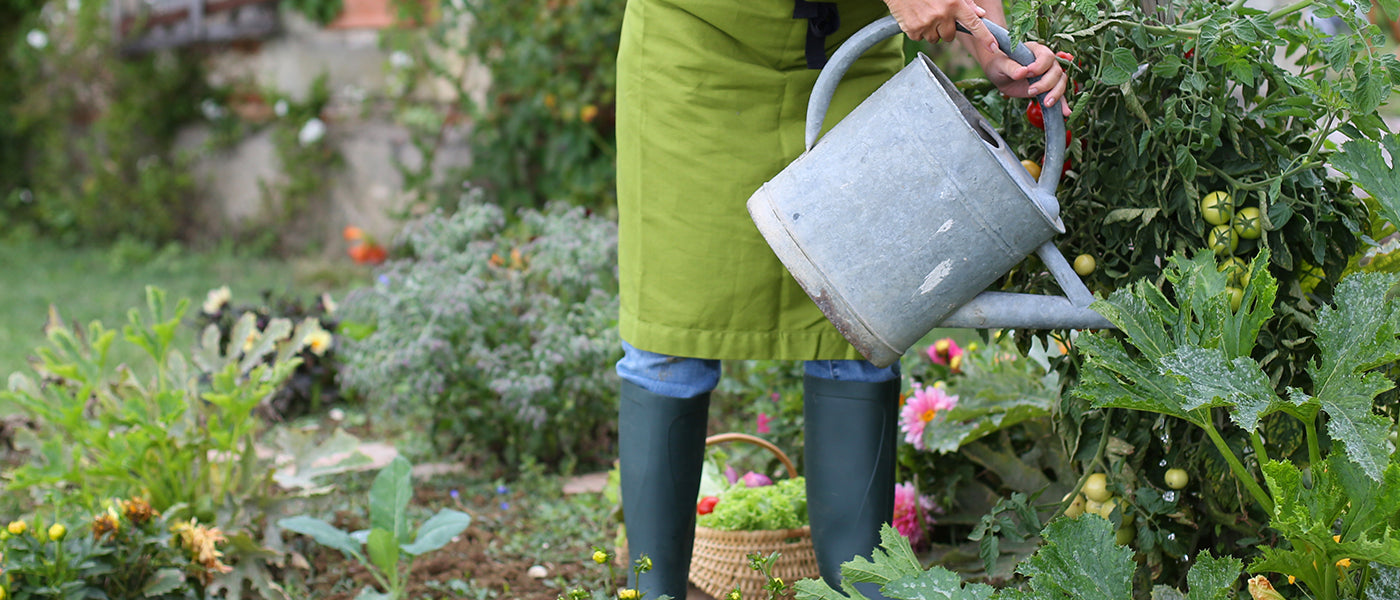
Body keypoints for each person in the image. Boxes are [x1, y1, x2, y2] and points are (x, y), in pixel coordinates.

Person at [614, 0, 1070, 598]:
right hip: (698, 51)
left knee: (858, 320)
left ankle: (858, 589)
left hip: (847, 55)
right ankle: (652, 594)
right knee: (672, 334)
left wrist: (987, 38)